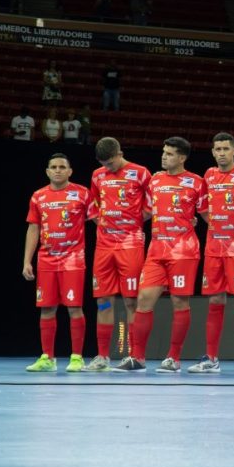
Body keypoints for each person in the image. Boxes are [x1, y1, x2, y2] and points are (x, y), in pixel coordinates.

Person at [116, 137, 207, 372]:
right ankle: (137, 357)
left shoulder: (197, 182)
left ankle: (173, 358)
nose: (164, 156)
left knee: (179, 301)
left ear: (182, 158)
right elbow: (145, 211)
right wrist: (119, 219)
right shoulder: (155, 181)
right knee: (144, 300)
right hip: (156, 251)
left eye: (169, 153)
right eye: (163, 152)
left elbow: (208, 214)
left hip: (184, 252)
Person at [188, 133, 234, 374]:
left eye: (225, 148)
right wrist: (217, 224)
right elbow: (203, 209)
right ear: (212, 152)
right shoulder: (208, 175)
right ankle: (211, 358)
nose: (221, 153)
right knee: (215, 301)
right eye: (217, 148)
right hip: (214, 249)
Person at [22, 154, 97, 372]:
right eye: (53, 167)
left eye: (62, 167)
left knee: (74, 308)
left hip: (73, 259)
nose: (57, 170)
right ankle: (47, 358)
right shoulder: (38, 196)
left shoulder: (82, 193)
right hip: (46, 259)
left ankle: (77, 357)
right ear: (47, 171)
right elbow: (33, 228)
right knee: (47, 309)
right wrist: (27, 260)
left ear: (70, 171)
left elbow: (99, 221)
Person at [87, 137, 152, 371]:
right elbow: (92, 203)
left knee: (131, 301)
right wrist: (99, 221)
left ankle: (133, 355)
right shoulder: (97, 175)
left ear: (120, 153)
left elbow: (154, 202)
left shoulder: (141, 173)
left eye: (111, 163)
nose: (108, 168)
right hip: (104, 246)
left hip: (131, 244)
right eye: (104, 164)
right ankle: (103, 356)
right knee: (103, 301)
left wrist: (137, 218)